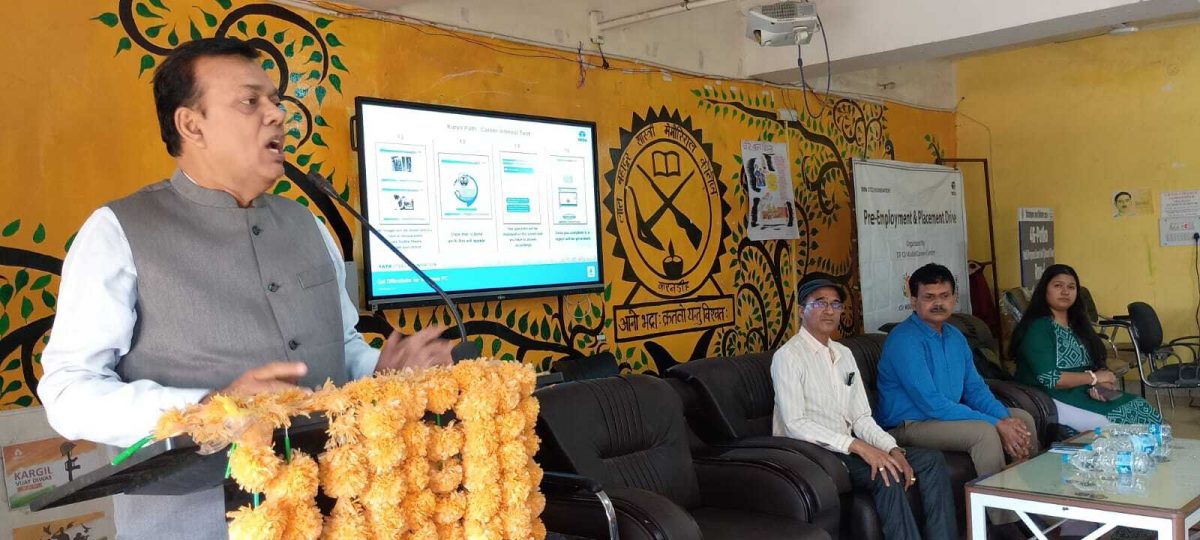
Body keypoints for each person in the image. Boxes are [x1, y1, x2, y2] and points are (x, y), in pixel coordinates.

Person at [37, 38, 454, 539]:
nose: (277, 114)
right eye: (250, 101)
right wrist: (209, 407)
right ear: (191, 125)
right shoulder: (117, 231)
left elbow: (340, 349)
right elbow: (68, 391)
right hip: (192, 524)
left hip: (332, 511)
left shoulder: (308, 225)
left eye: (274, 100)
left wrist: (382, 371)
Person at [772, 277, 956, 540]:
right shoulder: (788, 357)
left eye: (835, 304)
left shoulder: (843, 354)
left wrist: (891, 448)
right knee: (885, 473)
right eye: (820, 303)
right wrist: (858, 446)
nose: (829, 310)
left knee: (930, 460)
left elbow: (860, 417)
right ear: (802, 310)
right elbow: (795, 423)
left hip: (847, 448)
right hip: (812, 455)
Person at [875, 263, 1038, 527]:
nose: (938, 303)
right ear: (913, 300)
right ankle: (1003, 523)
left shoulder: (955, 337)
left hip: (944, 417)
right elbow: (932, 403)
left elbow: (975, 389)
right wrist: (996, 424)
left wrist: (1005, 419)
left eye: (944, 296)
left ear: (954, 298)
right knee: (984, 433)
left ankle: (1032, 504)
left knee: (1022, 419)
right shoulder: (904, 340)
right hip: (910, 424)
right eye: (929, 297)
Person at [1011, 264, 1161, 432]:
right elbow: (1051, 378)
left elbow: (1095, 363)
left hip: (1085, 392)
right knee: (1121, 425)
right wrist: (1094, 378)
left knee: (1142, 408)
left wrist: (1103, 384)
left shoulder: (1078, 325)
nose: (1065, 292)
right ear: (1044, 289)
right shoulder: (1038, 328)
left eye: (1071, 287)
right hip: (1050, 398)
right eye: (1058, 285)